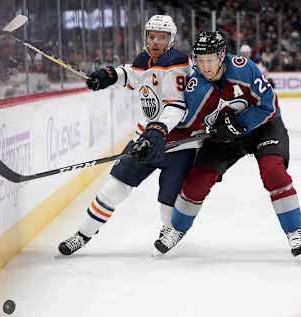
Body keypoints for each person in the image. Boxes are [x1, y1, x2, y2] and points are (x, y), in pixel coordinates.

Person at [154, 31, 301, 263]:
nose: (205, 66)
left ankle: (294, 231)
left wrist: (238, 124)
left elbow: (268, 105)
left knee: (273, 172)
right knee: (197, 180)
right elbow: (188, 124)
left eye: (210, 60)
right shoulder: (196, 85)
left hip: (263, 128)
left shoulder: (244, 68)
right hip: (225, 137)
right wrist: (157, 139)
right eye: (200, 60)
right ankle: (176, 229)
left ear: (222, 56)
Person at [58, 15, 198, 255]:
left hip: (177, 143)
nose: (154, 41)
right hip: (145, 139)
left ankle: (170, 229)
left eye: (161, 37)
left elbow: (177, 105)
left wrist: (158, 130)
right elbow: (132, 74)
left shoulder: (177, 62)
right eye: (151, 36)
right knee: (113, 188)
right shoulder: (144, 59)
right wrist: (110, 75)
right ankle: (83, 233)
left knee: (168, 201)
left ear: (171, 39)